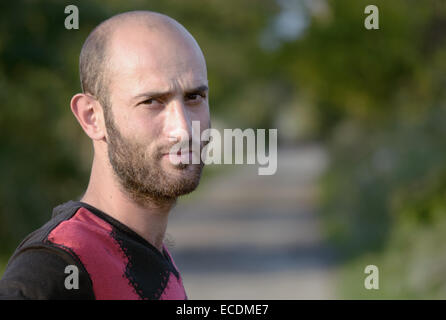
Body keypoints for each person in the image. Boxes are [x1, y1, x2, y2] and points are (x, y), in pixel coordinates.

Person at [0, 10, 210, 300]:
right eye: (151, 101)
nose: (183, 129)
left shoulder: (153, 256)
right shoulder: (54, 270)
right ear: (91, 117)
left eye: (194, 97)